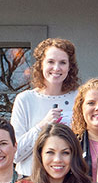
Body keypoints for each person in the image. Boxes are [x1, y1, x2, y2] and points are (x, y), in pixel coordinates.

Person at [11, 38, 80, 175]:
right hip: (30, 180)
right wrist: (42, 126)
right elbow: (15, 154)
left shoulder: (79, 98)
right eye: (50, 62)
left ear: (69, 67)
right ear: (40, 65)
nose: (56, 68)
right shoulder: (25, 100)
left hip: (70, 181)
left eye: (62, 62)